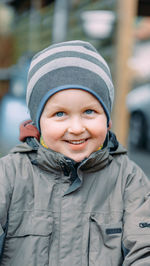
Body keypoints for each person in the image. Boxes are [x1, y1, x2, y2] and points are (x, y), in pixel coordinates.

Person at [0, 40, 150, 266]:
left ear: (107, 118)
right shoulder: (9, 176)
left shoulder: (128, 180)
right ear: (37, 121)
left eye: (89, 111)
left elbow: (144, 250)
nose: (77, 128)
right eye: (60, 114)